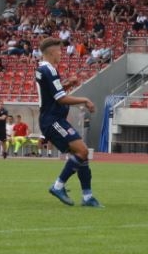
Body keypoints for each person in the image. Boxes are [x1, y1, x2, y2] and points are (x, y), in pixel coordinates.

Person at [32, 39, 102, 207]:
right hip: (53, 120)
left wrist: (67, 84)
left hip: (53, 119)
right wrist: (85, 99)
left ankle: (87, 197)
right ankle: (58, 186)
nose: (61, 54)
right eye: (59, 51)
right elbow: (61, 99)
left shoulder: (44, 69)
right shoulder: (49, 70)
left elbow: (53, 94)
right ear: (51, 52)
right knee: (82, 151)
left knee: (82, 155)